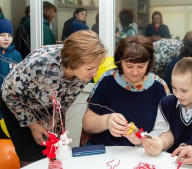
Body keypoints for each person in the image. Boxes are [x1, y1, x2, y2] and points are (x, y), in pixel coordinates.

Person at [1, 30, 107, 167]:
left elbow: (67, 99)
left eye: (96, 68)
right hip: (18, 103)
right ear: (74, 62)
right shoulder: (40, 65)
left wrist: (55, 119)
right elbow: (9, 95)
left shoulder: (84, 73)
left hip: (48, 103)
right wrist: (33, 125)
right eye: (90, 68)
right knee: (31, 155)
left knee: (56, 149)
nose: (95, 73)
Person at [128, 57, 192, 169]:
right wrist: (142, 139)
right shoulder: (166, 103)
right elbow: (159, 133)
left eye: (184, 90)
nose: (178, 95)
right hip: (169, 164)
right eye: (174, 88)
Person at [82, 34, 170, 146]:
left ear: (149, 62)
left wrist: (160, 144)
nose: (135, 72)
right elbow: (87, 124)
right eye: (129, 66)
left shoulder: (159, 87)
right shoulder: (107, 80)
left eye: (141, 66)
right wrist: (107, 120)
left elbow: (168, 132)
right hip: (105, 152)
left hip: (143, 154)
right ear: (119, 61)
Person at [0, 14, 22, 139]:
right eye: (2, 35)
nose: (6, 38)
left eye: (9, 35)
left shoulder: (16, 55)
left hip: (8, 98)